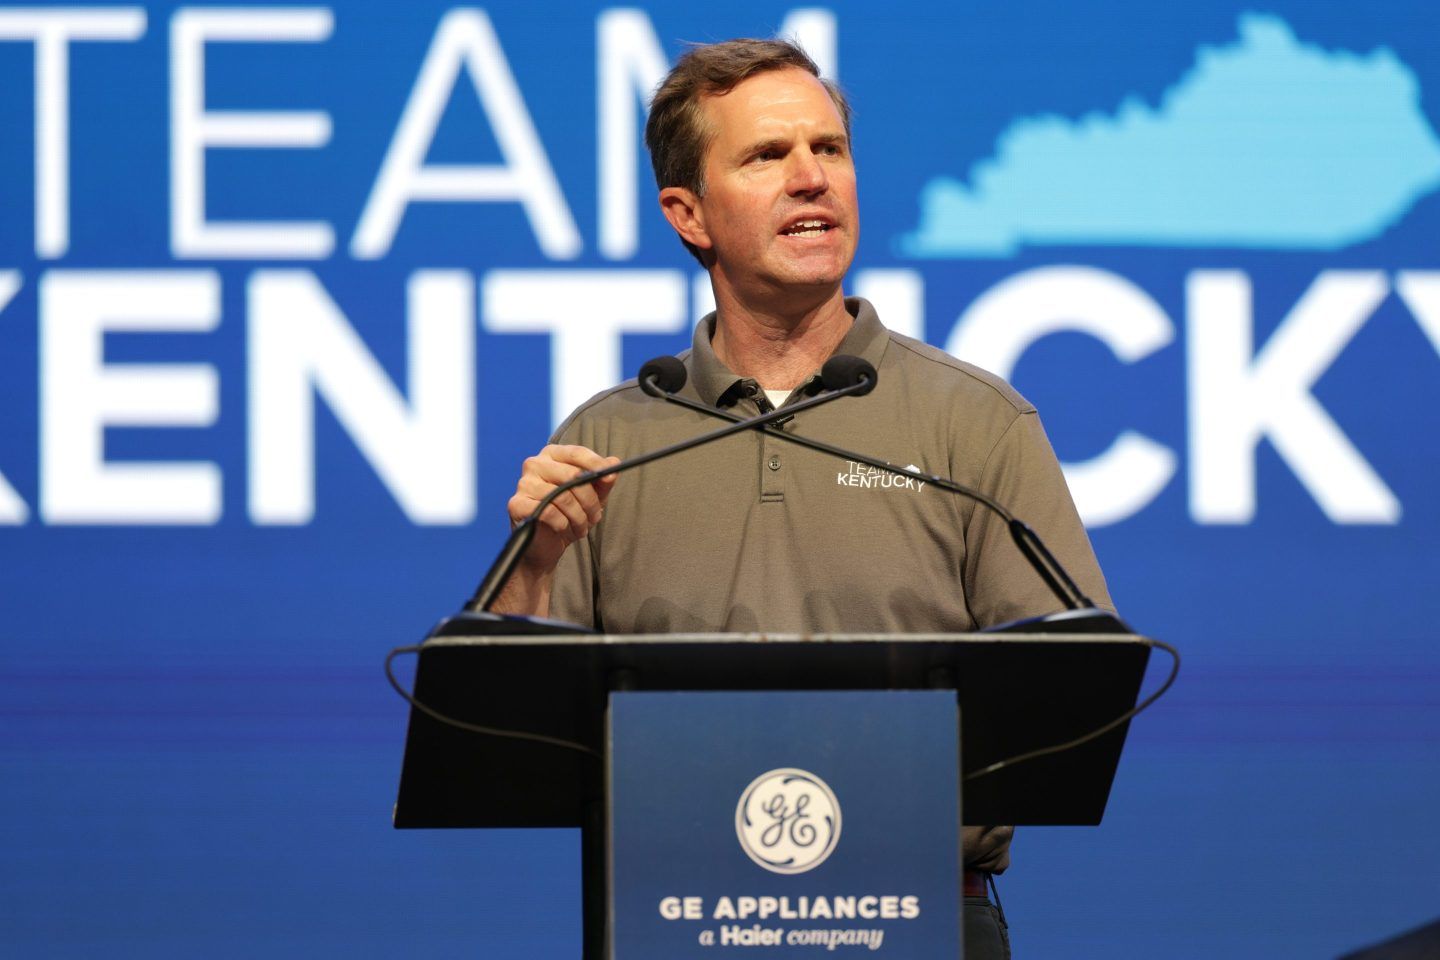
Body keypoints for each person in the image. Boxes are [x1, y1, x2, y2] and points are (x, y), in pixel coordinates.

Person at [492, 38, 1114, 960]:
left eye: (828, 150)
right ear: (688, 214)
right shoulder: (605, 440)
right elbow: (511, 745)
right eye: (766, 156)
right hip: (675, 917)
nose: (811, 178)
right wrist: (535, 566)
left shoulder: (974, 422)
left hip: (920, 917)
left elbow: (1073, 703)